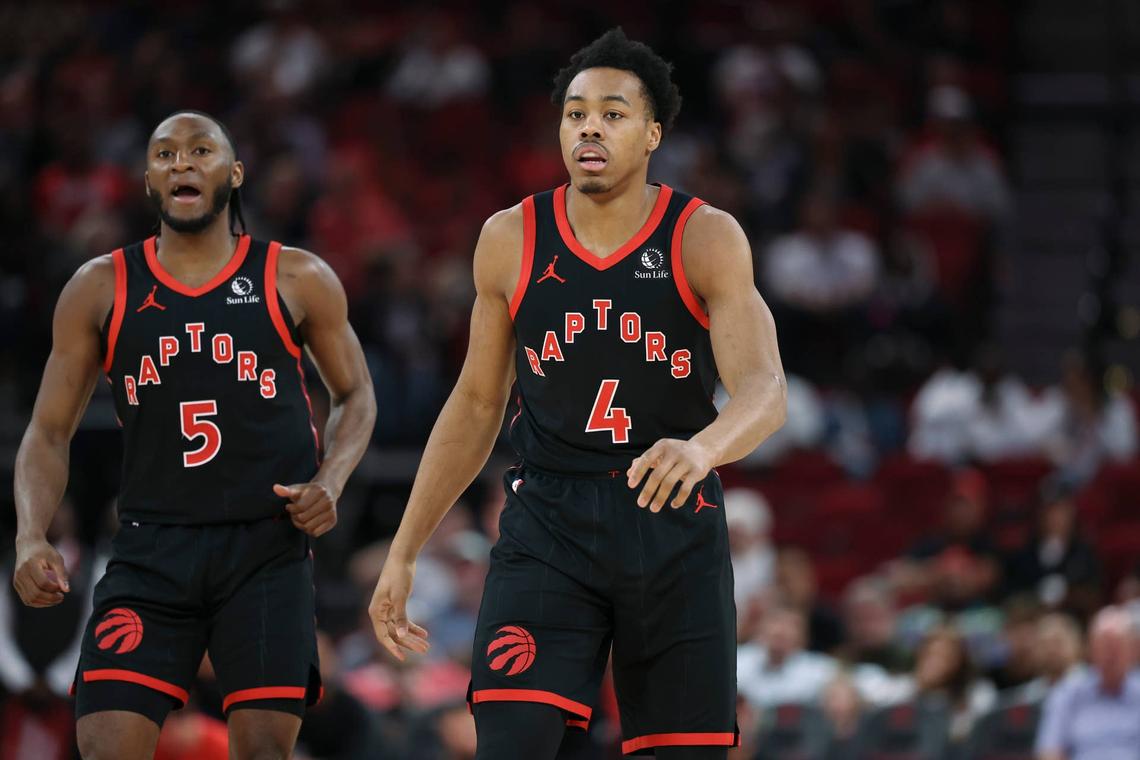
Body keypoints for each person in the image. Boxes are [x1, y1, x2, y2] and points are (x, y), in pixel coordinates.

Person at [369, 28, 787, 759]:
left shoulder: (704, 236)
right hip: (549, 520)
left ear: (653, 133)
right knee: (511, 737)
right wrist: (405, 550)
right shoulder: (510, 238)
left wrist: (703, 448)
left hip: (670, 522)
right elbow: (474, 406)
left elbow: (764, 389)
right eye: (575, 112)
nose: (589, 125)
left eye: (614, 112)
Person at [11, 111, 377, 760]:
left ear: (232, 175)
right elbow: (47, 430)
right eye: (165, 154)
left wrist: (332, 479)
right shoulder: (100, 286)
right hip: (154, 547)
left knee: (265, 748)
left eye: (201, 150)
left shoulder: (295, 276)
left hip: (266, 545)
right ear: (148, 180)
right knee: (103, 746)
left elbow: (355, 395)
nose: (182, 162)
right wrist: (31, 533)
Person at [1036, 606, 1140, 760]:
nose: (1111, 655)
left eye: (1117, 646)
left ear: (1132, 649)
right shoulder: (1067, 692)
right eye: (1104, 646)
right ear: (1091, 649)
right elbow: (1049, 751)